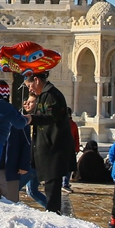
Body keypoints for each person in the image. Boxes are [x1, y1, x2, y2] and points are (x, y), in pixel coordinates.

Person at [25, 70, 75, 214]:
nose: (30, 90)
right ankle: (52, 213)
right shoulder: (44, 95)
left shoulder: (50, 95)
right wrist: (31, 114)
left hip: (54, 148)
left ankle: (53, 215)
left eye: (30, 86)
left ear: (36, 80)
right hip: (49, 148)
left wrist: (31, 119)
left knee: (52, 186)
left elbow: (50, 117)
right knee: (49, 185)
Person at [19, 94, 49, 209]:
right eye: (26, 101)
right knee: (32, 191)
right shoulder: (27, 119)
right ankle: (52, 209)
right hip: (34, 162)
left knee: (12, 189)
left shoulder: (39, 121)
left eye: (31, 102)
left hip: (33, 162)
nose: (27, 103)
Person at [0, 119, 33, 202]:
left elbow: (26, 144)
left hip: (10, 167)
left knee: (10, 200)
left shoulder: (19, 120)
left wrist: (23, 165)